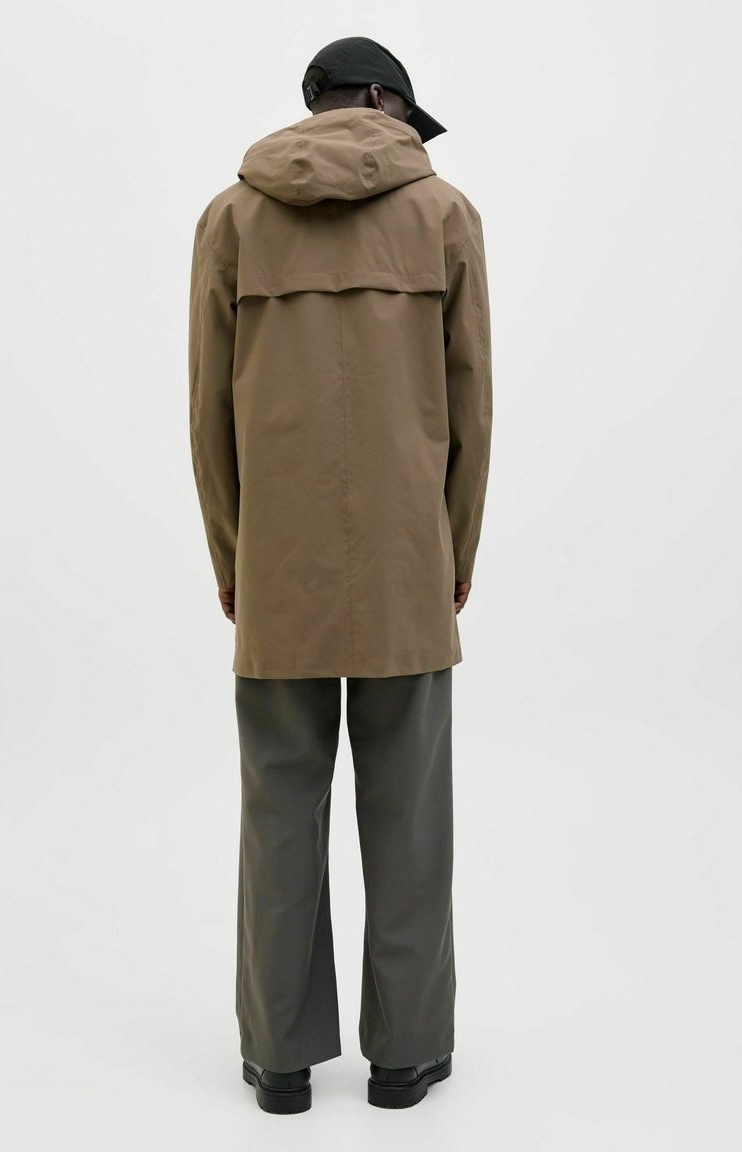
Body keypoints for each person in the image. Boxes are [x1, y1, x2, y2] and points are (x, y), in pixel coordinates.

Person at [188, 35, 493, 1113]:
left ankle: (278, 1062)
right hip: (409, 561)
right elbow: (471, 406)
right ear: (380, 100)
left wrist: (233, 556)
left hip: (279, 564)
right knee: (409, 816)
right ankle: (405, 1058)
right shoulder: (444, 214)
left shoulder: (231, 219)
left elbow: (208, 411)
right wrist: (454, 551)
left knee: (278, 809)